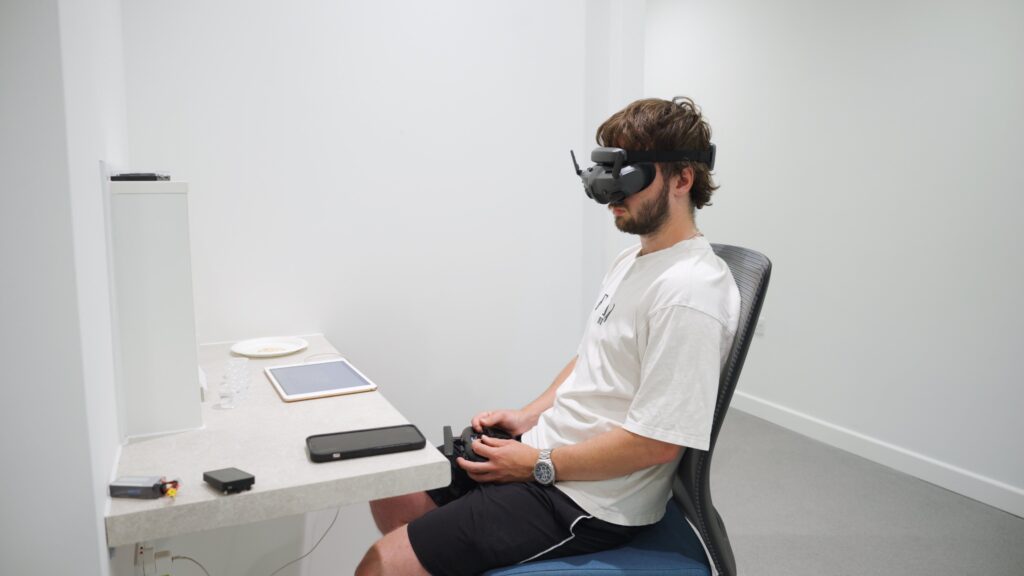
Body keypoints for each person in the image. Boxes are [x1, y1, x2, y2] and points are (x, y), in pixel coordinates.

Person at [356, 96, 740, 576]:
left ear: (682, 179)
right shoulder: (634, 260)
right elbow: (593, 359)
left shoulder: (688, 291)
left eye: (628, 178)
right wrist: (527, 415)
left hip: (590, 499)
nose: (610, 195)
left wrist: (537, 463)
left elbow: (657, 444)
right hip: (550, 449)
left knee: (378, 567)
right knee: (396, 488)